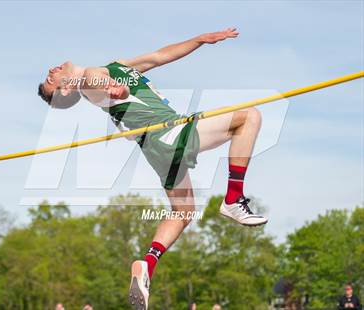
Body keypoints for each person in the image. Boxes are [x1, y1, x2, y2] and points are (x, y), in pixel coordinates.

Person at [38, 27, 267, 310]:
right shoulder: (87, 80)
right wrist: (111, 88)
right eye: (51, 79)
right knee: (249, 118)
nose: (51, 69)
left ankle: (147, 264)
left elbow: (160, 56)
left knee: (183, 212)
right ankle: (233, 198)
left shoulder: (116, 67)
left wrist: (199, 41)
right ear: (65, 89)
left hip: (155, 148)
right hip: (167, 134)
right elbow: (96, 80)